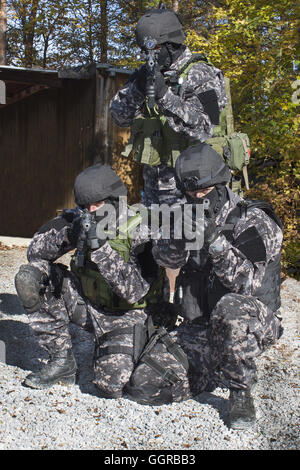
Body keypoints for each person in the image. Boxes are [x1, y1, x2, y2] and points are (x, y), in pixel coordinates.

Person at [124, 143, 283, 430]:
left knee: (230, 307)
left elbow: (247, 284)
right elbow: (162, 257)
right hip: (203, 324)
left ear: (221, 183)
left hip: (252, 322)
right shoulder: (183, 214)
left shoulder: (253, 219)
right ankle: (216, 366)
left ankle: (240, 389)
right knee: (145, 385)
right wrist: (176, 240)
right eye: (192, 192)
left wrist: (215, 243)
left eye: (205, 190)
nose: (198, 197)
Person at [14, 163, 167, 397]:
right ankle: (61, 361)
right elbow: (34, 251)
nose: (91, 210)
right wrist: (71, 234)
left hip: (126, 315)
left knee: (111, 385)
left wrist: (101, 248)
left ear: (115, 200)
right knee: (30, 277)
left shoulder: (144, 226)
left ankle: (139, 342)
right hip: (88, 304)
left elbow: (136, 291)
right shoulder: (81, 217)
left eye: (98, 204)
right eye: (85, 206)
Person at [110, 7, 228, 206]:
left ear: (171, 45)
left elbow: (207, 128)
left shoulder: (202, 74)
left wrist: (165, 96)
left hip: (195, 195)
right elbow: (118, 116)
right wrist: (138, 89)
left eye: (154, 49)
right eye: (144, 51)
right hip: (155, 195)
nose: (149, 55)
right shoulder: (147, 73)